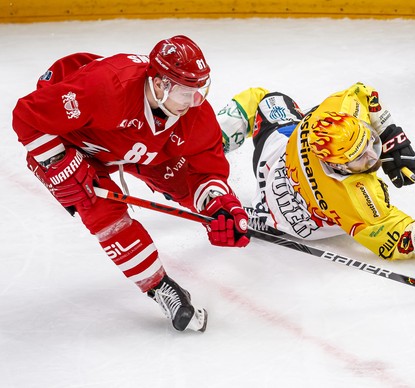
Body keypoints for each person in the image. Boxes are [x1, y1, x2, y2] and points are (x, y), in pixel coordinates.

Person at [12, 35, 250, 332]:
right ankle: (160, 287)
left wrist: (221, 205)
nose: (195, 102)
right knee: (98, 208)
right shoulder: (105, 89)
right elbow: (26, 116)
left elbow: (206, 171)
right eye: (186, 92)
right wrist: (57, 163)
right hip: (72, 138)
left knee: (180, 181)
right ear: (161, 84)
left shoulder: (193, 116)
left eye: (199, 90)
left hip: (129, 143)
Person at [218, 83, 415, 262]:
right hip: (292, 221)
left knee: (263, 99)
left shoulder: (334, 110)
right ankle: (206, 162)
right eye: (359, 159)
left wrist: (391, 137)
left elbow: (363, 93)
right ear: (337, 167)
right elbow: (397, 238)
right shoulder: (350, 196)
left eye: (369, 141)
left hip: (273, 158)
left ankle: (205, 146)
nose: (372, 155)